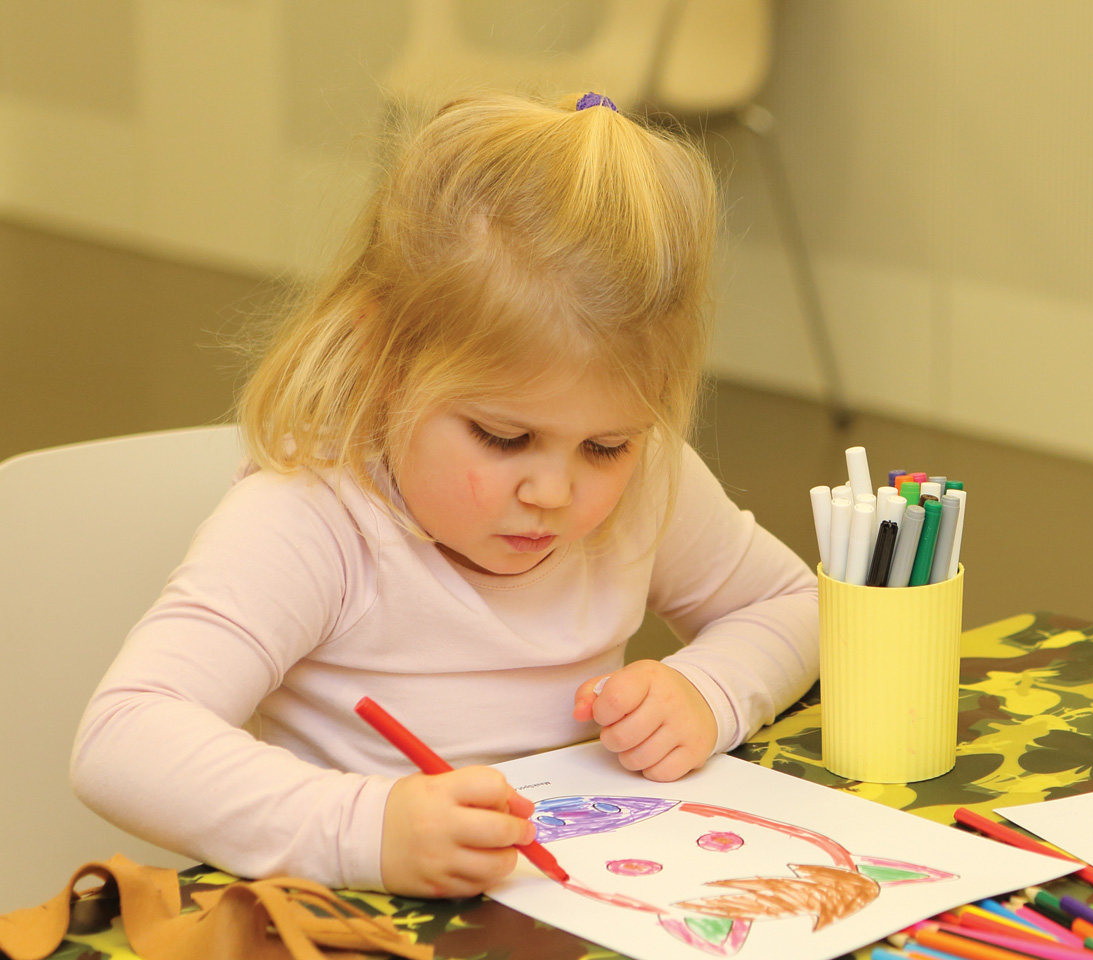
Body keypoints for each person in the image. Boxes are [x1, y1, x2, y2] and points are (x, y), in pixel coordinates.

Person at [72, 92, 819, 897]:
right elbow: (123, 737)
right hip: (361, 916)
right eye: (503, 438)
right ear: (381, 364)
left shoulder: (646, 483)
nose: (554, 491)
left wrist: (708, 689)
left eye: (606, 445)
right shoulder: (314, 520)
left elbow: (794, 603)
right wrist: (365, 828)